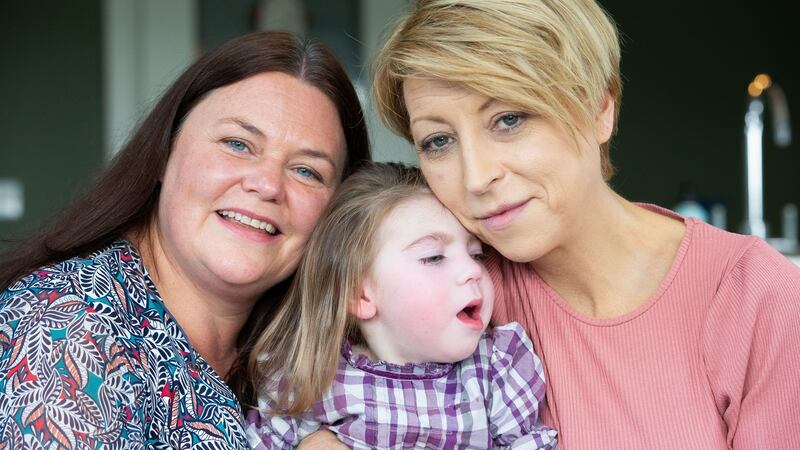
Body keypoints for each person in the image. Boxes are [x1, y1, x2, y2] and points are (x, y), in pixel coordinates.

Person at [368, 1, 800, 449]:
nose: (476, 178)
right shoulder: (451, 295)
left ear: (599, 108)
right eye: (438, 141)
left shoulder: (760, 300)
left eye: (509, 119)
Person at [0, 31, 370, 449]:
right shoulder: (66, 326)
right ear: (163, 152)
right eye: (238, 144)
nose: (267, 185)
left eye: (307, 171)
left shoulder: (325, 363)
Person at [245, 162, 557, 449]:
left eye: (476, 254)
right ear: (361, 296)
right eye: (433, 257)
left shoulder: (495, 371)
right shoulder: (311, 378)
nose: (473, 270)